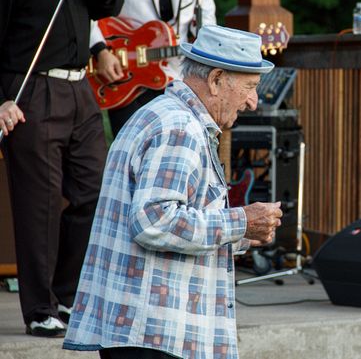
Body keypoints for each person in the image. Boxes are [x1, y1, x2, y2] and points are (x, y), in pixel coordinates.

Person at [63, 25, 283, 359]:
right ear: (216, 79)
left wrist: (244, 234)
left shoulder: (166, 116)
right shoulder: (179, 127)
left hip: (146, 331)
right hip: (154, 334)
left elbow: (172, 218)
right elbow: (154, 221)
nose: (254, 101)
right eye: (250, 86)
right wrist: (239, 222)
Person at [0, 0, 123, 337]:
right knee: (41, 204)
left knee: (96, 191)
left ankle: (68, 295)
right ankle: (39, 307)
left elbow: (109, 5)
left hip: (80, 89)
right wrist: (0, 99)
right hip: (31, 89)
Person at [90, 0, 217, 135]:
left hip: (175, 73)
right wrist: (100, 50)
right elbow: (94, 7)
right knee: (130, 143)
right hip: (126, 70)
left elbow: (207, 22)